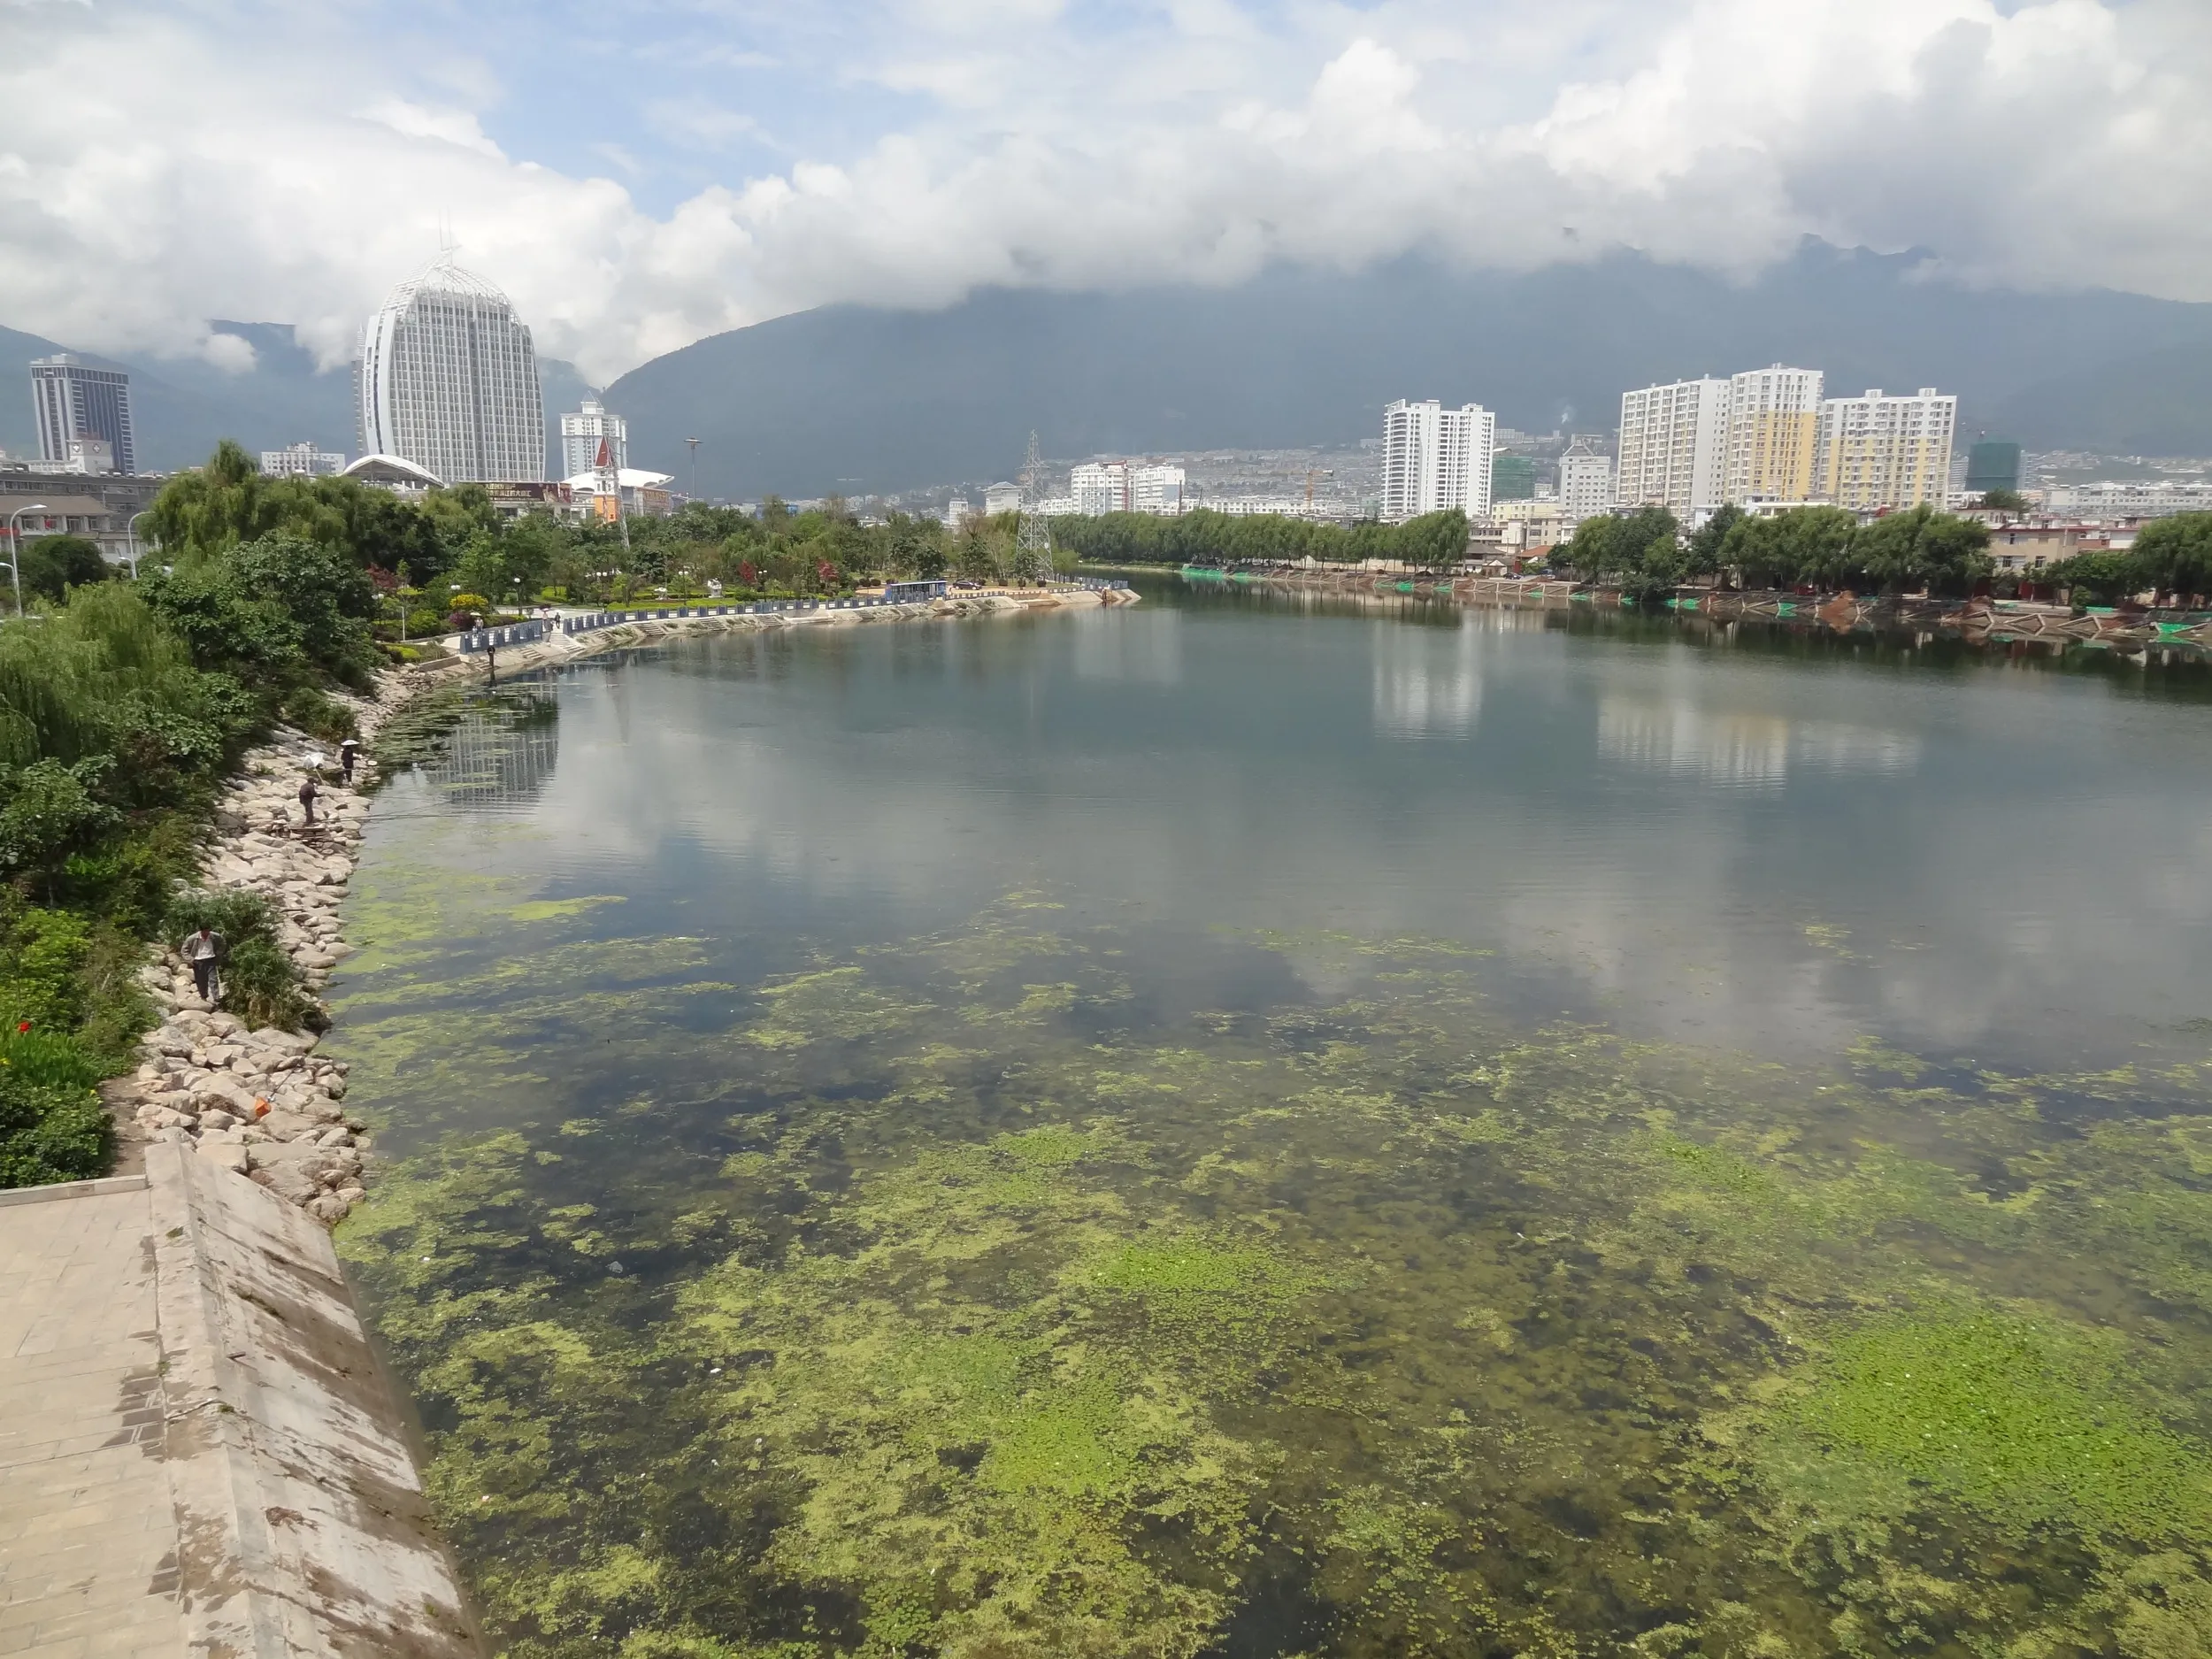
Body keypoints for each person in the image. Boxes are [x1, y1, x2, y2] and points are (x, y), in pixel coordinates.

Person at [180, 925, 226, 1005]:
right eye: (205, 931)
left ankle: (216, 999)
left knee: (214, 980)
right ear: (200, 931)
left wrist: (219, 953)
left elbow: (223, 943)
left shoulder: (215, 936)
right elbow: (184, 950)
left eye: (208, 931)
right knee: (201, 981)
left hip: (211, 960)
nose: (207, 933)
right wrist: (190, 959)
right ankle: (204, 997)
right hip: (198, 961)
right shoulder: (192, 938)